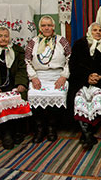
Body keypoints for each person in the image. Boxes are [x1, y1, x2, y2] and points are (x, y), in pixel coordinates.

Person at [0, 26, 31, 149]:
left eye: (6, 36)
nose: (3, 39)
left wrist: (21, 83)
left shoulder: (17, 51)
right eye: (0, 36)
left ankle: (17, 130)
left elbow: (21, 70)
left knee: (19, 99)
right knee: (0, 102)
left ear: (9, 37)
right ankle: (6, 133)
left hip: (12, 86)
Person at [25, 15, 71, 143]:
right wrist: (33, 77)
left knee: (58, 93)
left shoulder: (62, 41)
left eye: (49, 25)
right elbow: (27, 61)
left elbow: (69, 59)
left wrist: (64, 76)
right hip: (39, 76)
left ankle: (51, 128)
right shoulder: (33, 42)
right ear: (40, 27)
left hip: (57, 76)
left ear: (54, 26)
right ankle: (39, 129)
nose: (47, 28)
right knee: (33, 94)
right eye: (44, 25)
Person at [68, 22, 101, 150]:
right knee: (79, 98)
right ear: (89, 32)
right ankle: (88, 134)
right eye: (95, 30)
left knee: (98, 98)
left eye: (100, 30)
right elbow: (74, 66)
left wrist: (99, 77)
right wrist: (87, 77)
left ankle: (87, 133)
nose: (98, 32)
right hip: (81, 80)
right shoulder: (79, 44)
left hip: (99, 82)